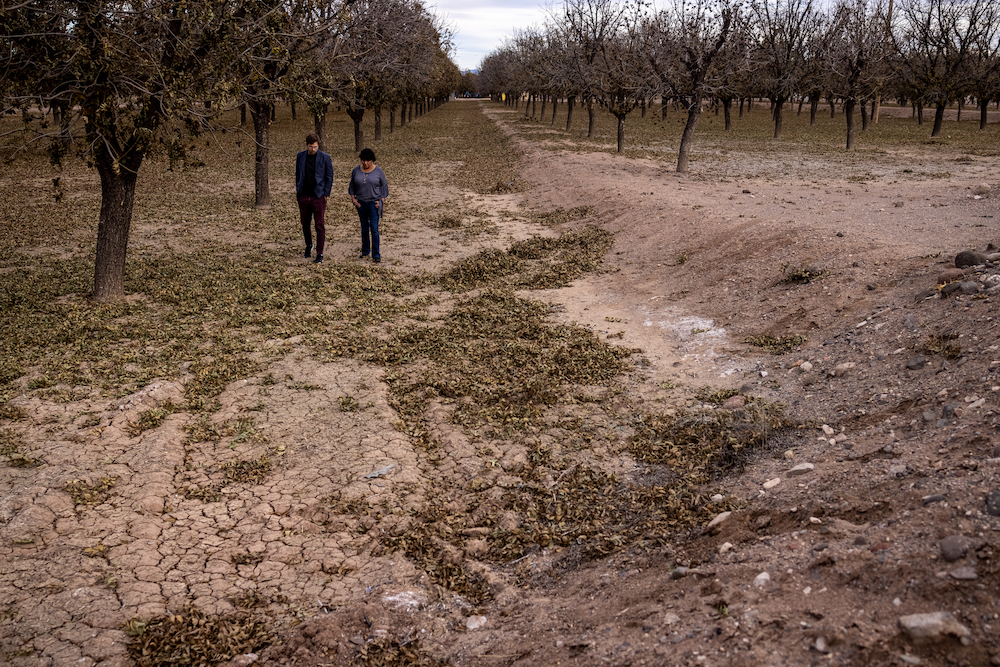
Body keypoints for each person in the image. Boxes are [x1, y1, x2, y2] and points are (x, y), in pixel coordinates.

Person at [295, 134, 334, 264]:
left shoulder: (325, 157)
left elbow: (329, 176)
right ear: (307, 145)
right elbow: (298, 174)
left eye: (315, 147)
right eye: (311, 147)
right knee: (305, 223)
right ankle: (308, 245)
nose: (313, 149)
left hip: (318, 196)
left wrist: (325, 194)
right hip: (304, 195)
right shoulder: (300, 156)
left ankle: (320, 252)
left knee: (319, 225)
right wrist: (298, 191)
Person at [348, 148, 388, 263]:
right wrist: (353, 199)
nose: (365, 163)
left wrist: (381, 201)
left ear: (372, 161)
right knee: (364, 228)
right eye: (363, 160)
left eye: (367, 160)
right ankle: (365, 250)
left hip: (373, 203)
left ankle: (376, 254)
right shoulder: (356, 171)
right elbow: (352, 186)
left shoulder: (379, 171)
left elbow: (384, 187)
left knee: (374, 229)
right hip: (361, 203)